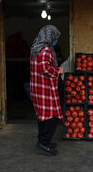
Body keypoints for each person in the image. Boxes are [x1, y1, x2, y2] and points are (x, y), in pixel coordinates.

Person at [30, 25, 64, 156]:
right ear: (50, 36)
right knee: (53, 116)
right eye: (55, 37)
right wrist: (58, 71)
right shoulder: (45, 50)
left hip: (37, 87)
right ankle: (43, 143)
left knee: (43, 116)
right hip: (45, 88)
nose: (56, 40)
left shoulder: (35, 47)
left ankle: (43, 141)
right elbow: (44, 68)